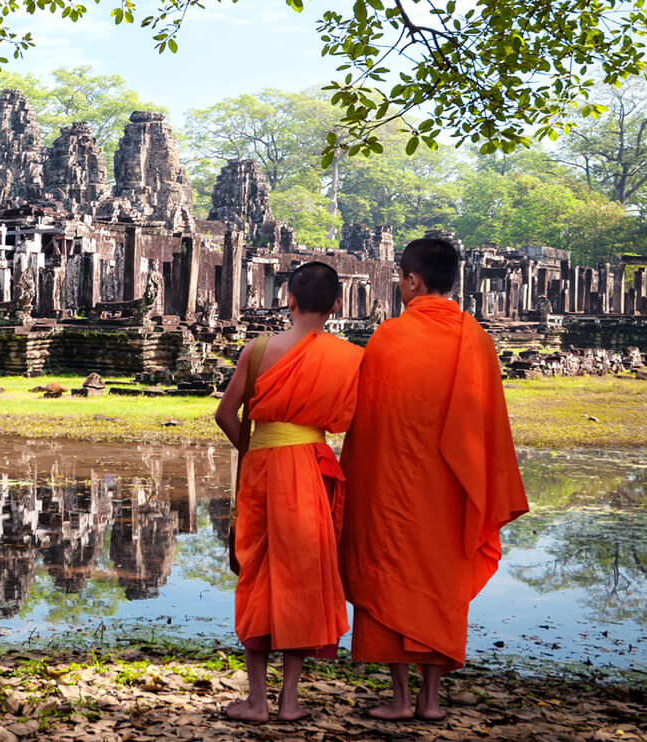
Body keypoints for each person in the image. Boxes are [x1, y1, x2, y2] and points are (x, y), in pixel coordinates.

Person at [340, 237, 530, 720]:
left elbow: (369, 424)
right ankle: (430, 699)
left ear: (412, 280)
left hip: (393, 489)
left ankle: (401, 699)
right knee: (439, 581)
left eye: (401, 278)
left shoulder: (389, 337)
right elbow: (489, 425)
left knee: (390, 578)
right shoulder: (477, 339)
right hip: (452, 491)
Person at [213, 261, 363, 723]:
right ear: (338, 305)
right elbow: (352, 420)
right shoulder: (349, 357)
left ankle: (256, 700)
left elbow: (225, 414)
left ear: (289, 300)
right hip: (310, 469)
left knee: (257, 573)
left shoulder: (258, 351)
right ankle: (289, 701)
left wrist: (258, 448)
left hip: (263, 469)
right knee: (302, 577)